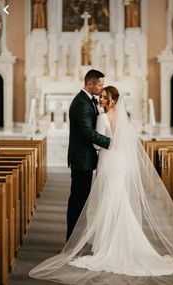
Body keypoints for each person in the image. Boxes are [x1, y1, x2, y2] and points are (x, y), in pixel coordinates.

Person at [30, 86, 173, 285]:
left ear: (113, 101)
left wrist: (93, 143)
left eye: (105, 97)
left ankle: (107, 245)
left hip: (108, 160)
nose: (101, 99)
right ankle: (121, 241)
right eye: (101, 96)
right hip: (120, 161)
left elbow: (97, 145)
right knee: (118, 197)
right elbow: (121, 141)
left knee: (109, 199)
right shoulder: (122, 119)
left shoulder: (102, 118)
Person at [66, 69, 110, 241]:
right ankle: (71, 242)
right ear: (89, 84)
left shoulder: (89, 101)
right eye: (100, 84)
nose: (102, 87)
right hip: (81, 159)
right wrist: (112, 143)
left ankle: (76, 239)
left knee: (81, 200)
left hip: (86, 158)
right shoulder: (81, 103)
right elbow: (88, 133)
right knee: (78, 201)